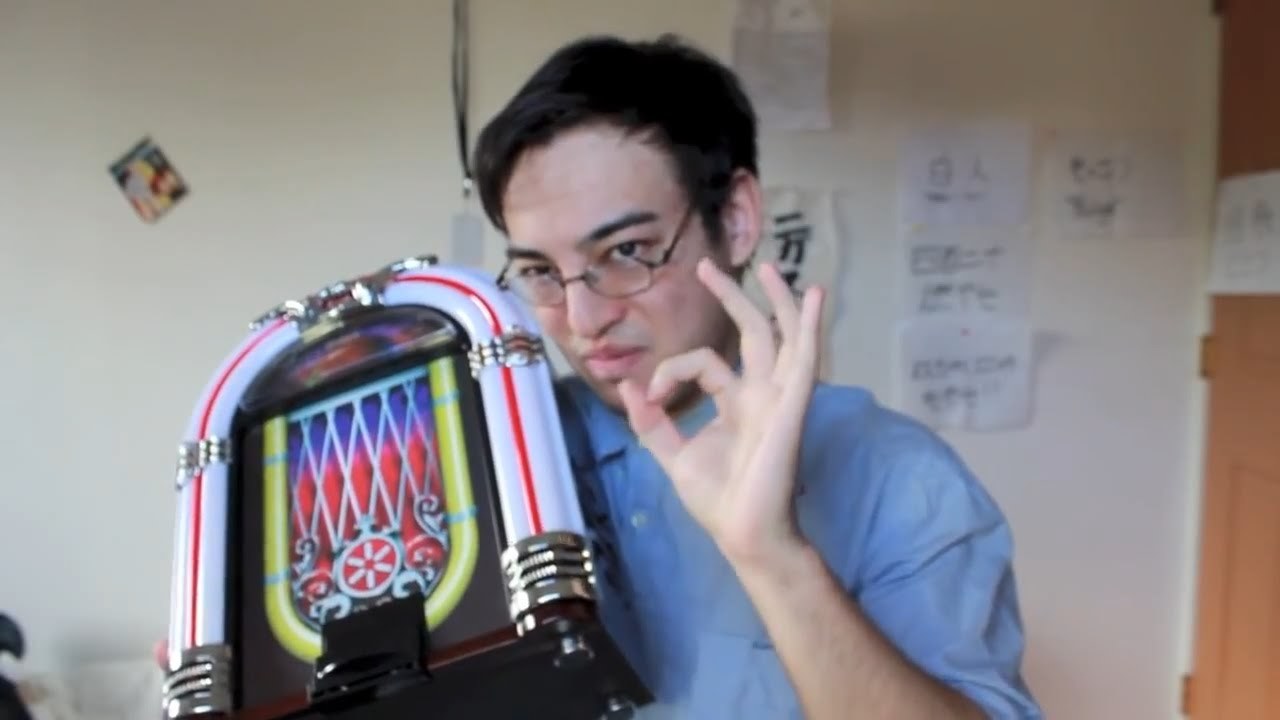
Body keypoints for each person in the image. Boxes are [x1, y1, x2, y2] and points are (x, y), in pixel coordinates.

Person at [469, 33, 1042, 719]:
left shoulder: (901, 479)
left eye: (626, 251)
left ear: (736, 221)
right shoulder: (492, 455)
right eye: (539, 271)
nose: (582, 319)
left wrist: (772, 557)